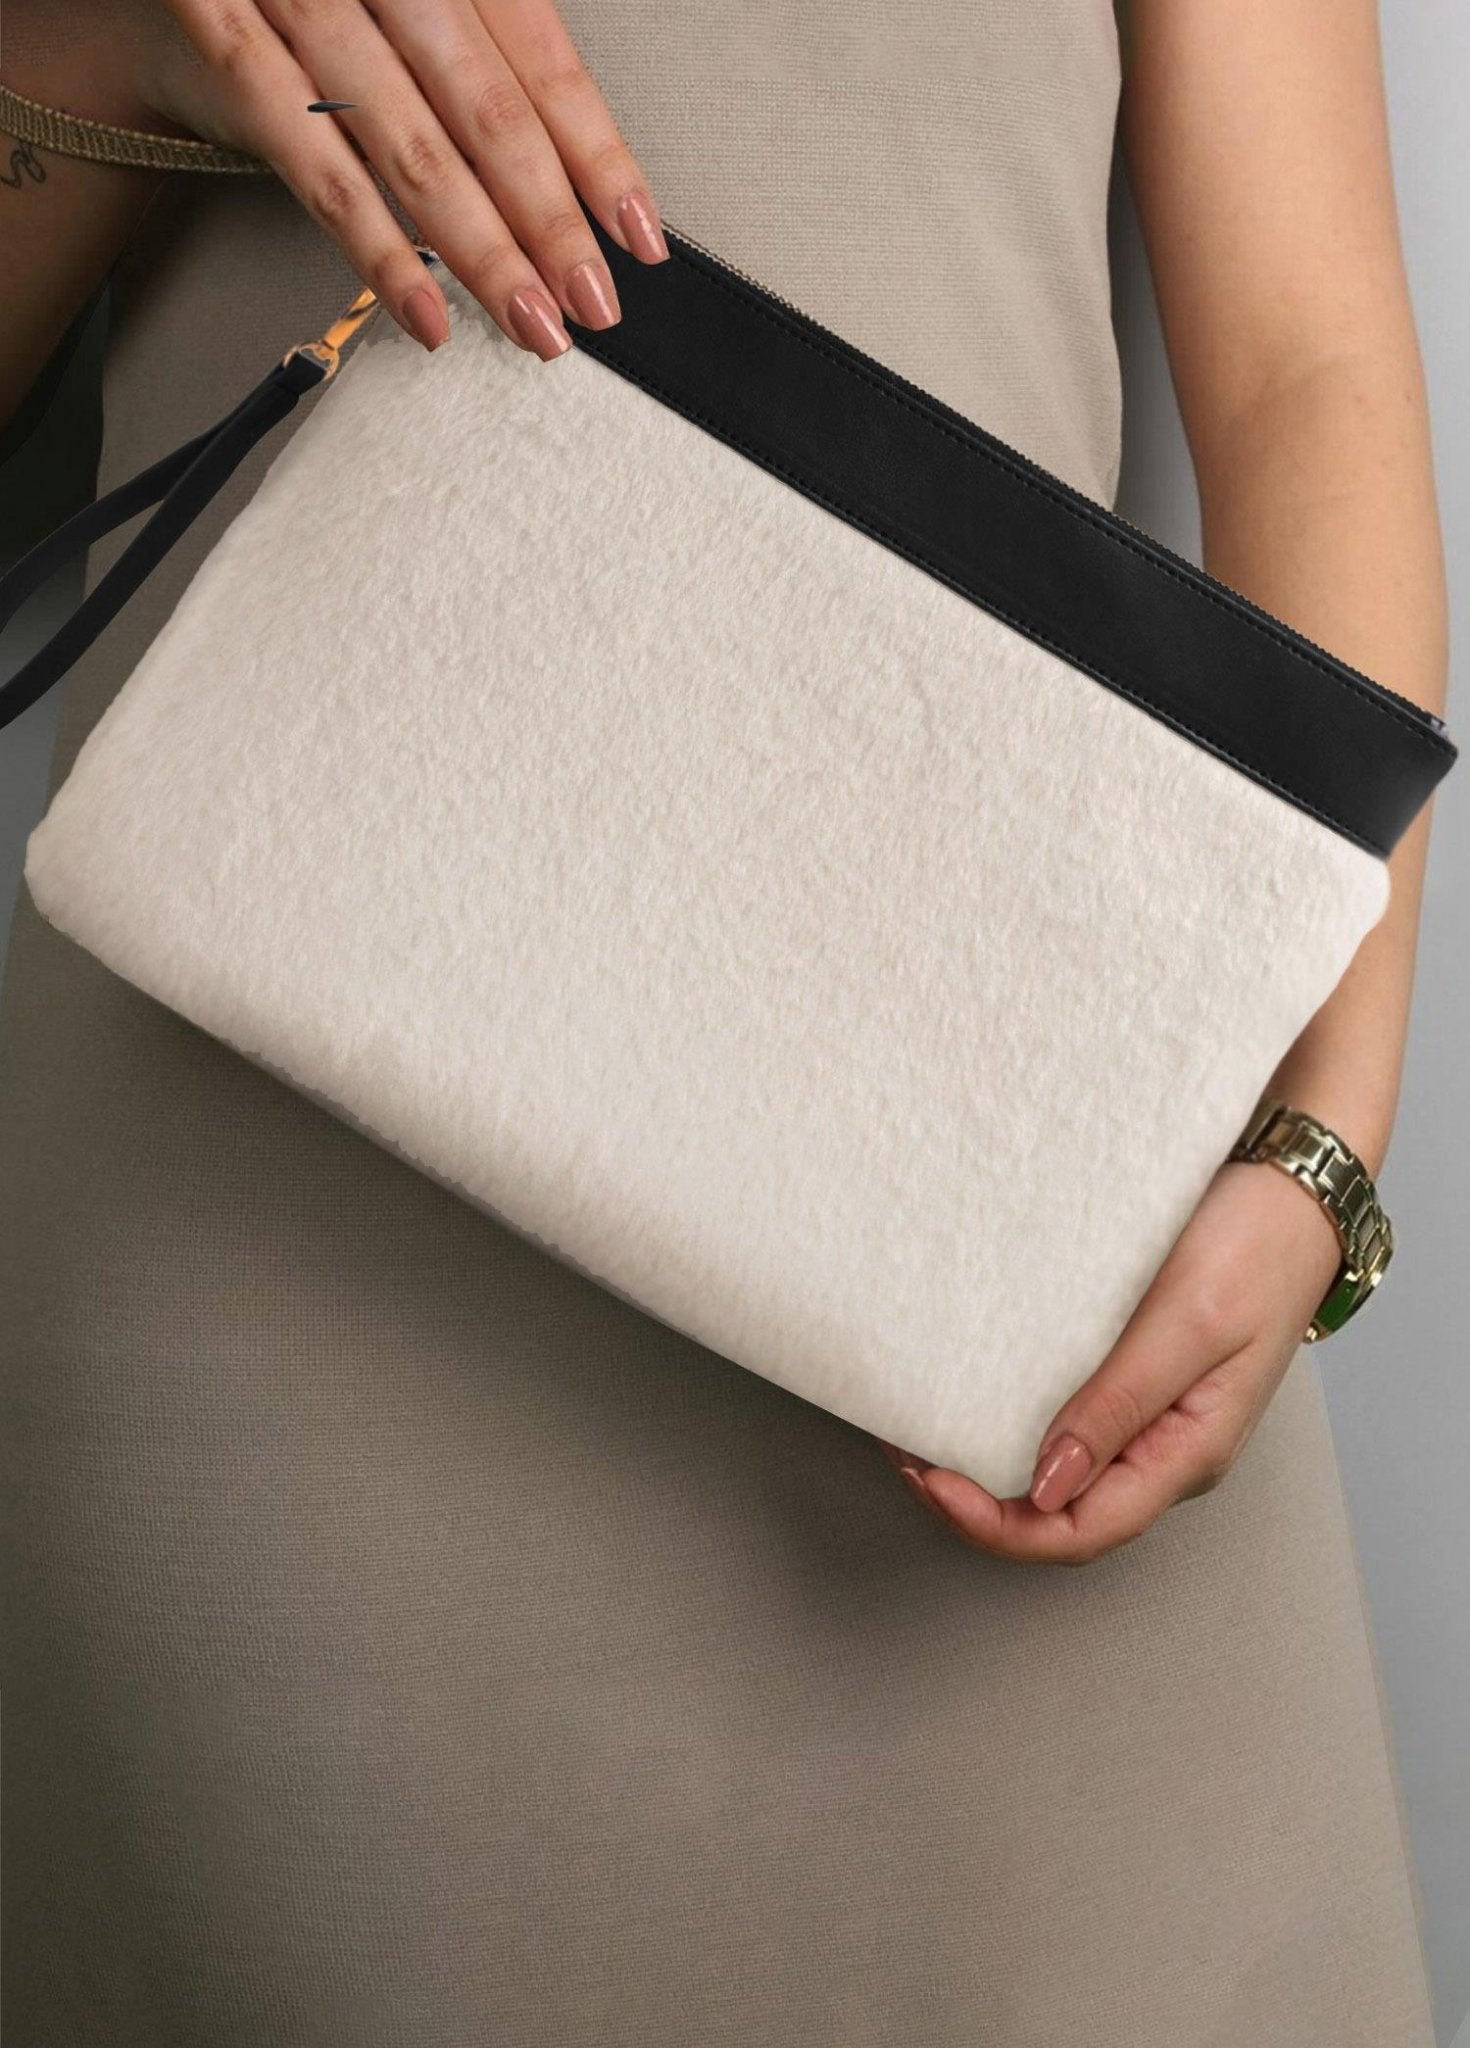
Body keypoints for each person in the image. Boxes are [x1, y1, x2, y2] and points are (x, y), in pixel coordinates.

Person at [0, 2, 1448, 2040]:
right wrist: (95, 49)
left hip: (1020, 1242)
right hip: (253, 1311)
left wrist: (1320, 1140)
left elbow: (1308, 366)